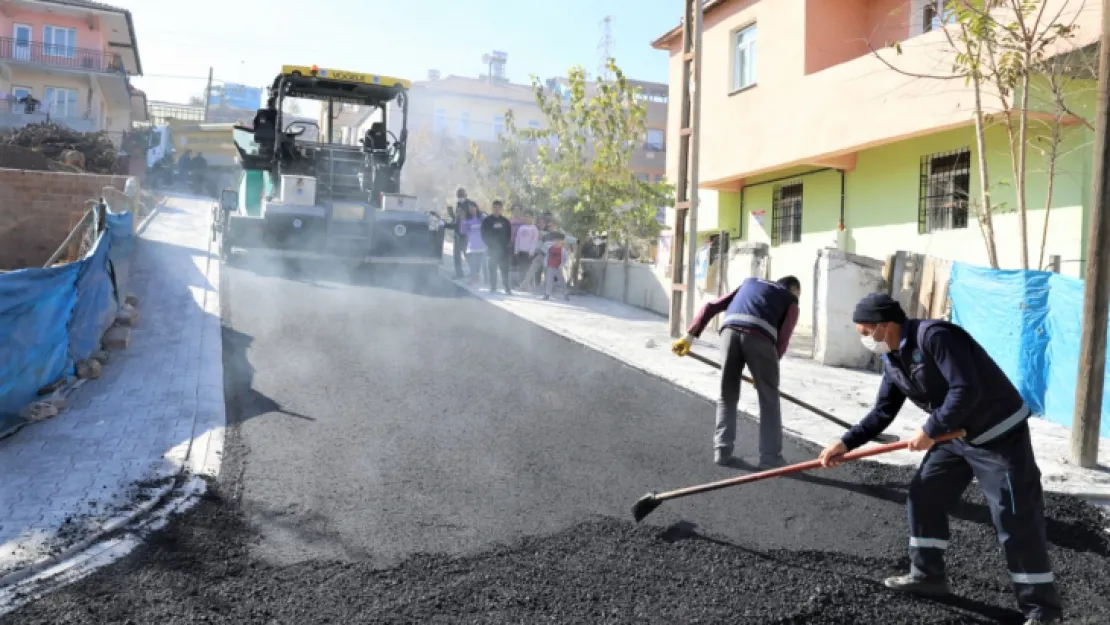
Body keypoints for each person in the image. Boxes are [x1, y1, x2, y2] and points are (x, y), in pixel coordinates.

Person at [816, 293, 1061, 625]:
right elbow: (883, 410)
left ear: (885, 326)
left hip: (997, 436)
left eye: (865, 331)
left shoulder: (935, 337)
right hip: (954, 434)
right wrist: (846, 443)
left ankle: (1042, 612)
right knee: (924, 494)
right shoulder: (892, 357)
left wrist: (930, 428)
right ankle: (928, 575)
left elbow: (966, 388)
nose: (864, 339)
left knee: (1014, 517)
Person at [671, 276, 802, 468]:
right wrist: (768, 373)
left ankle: (722, 450)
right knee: (769, 399)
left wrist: (689, 336)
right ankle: (770, 457)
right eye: (798, 294)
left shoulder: (749, 283)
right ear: (793, 289)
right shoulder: (791, 300)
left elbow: (711, 306)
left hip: (729, 332)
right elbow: (783, 339)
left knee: (727, 395)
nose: (798, 298)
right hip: (760, 338)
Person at [481, 199, 513, 294]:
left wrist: (506, 245)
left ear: (502, 209)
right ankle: (493, 287)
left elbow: (509, 234)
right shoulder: (487, 220)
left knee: (504, 269)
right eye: (495, 207)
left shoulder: (506, 221)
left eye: (499, 208)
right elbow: (484, 234)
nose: (497, 209)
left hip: (503, 249)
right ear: (492, 208)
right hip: (492, 249)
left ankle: (507, 287)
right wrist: (490, 245)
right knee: (492, 268)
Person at [449, 187, 476, 280]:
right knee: (457, 255)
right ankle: (459, 273)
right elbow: (457, 220)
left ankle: (474, 273)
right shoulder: (459, 205)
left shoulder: (469, 205)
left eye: (461, 195)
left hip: (466, 234)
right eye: (458, 195)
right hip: (458, 232)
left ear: (465, 195)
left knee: (467, 254)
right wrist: (451, 214)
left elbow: (473, 219)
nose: (460, 197)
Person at [460, 204, 486, 286]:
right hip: (472, 245)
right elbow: (463, 231)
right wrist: (463, 219)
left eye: (473, 208)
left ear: (477, 208)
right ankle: (474, 277)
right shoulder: (468, 221)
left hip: (482, 245)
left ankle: (486, 279)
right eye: (470, 208)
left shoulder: (482, 219)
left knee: (483, 264)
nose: (471, 209)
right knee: (471, 262)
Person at [513, 211, 540, 285]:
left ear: (532, 218)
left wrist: (531, 252)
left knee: (529, 269)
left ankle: (529, 284)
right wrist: (516, 251)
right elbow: (517, 239)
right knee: (522, 269)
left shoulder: (534, 228)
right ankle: (522, 284)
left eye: (528, 216)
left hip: (529, 253)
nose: (527, 218)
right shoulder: (521, 228)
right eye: (525, 217)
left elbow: (534, 241)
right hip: (521, 252)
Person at [542, 233, 569, 301]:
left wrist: (562, 265)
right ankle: (547, 294)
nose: (557, 243)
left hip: (558, 268)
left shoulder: (563, 250)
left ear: (562, 242)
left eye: (559, 241)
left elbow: (565, 259)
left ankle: (565, 294)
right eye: (555, 241)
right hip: (550, 267)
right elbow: (547, 257)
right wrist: (545, 264)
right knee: (549, 281)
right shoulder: (550, 249)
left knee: (562, 281)